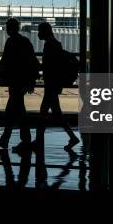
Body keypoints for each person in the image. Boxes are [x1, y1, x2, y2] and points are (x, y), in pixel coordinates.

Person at [0, 18, 39, 152]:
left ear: (11, 28)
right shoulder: (25, 42)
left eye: (7, 27)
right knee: (18, 110)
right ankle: (18, 139)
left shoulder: (11, 42)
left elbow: (5, 62)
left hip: (15, 82)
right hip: (22, 81)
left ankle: (15, 139)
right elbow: (32, 62)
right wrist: (31, 81)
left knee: (14, 111)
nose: (6, 29)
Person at [34, 22, 80, 150]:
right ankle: (72, 137)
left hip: (51, 85)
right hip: (54, 84)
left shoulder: (50, 45)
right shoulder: (55, 44)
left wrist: (37, 67)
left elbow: (50, 67)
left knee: (44, 112)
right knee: (55, 113)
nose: (38, 33)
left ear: (45, 31)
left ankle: (38, 141)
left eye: (39, 31)